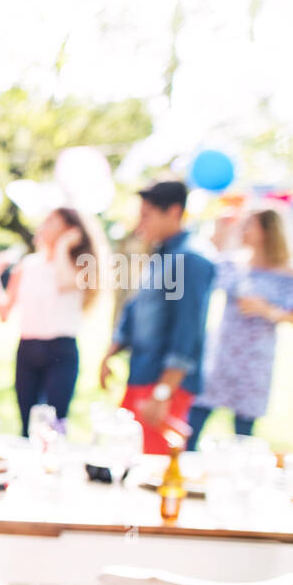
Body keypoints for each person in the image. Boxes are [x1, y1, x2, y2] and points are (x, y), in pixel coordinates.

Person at [98, 180, 216, 453]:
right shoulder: (161, 254)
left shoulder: (191, 259)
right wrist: (110, 352)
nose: (141, 225)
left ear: (174, 212)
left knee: (151, 470)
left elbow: (188, 333)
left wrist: (163, 393)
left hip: (163, 387)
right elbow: (136, 308)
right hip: (142, 375)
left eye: (147, 216)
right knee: (126, 456)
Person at [186, 205, 293, 450]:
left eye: (249, 225)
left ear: (267, 231)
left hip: (255, 361)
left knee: (243, 433)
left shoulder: (289, 274)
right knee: (196, 418)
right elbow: (203, 267)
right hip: (222, 355)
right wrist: (221, 230)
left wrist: (268, 310)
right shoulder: (233, 264)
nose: (243, 231)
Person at [0, 206, 109, 436]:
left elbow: (63, 282)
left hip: (60, 351)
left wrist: (62, 246)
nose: (44, 225)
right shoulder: (28, 265)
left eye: (53, 221)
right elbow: (4, 312)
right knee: (27, 425)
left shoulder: (80, 266)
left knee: (55, 424)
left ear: (72, 230)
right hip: (27, 349)